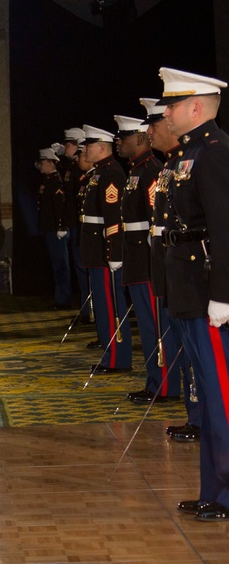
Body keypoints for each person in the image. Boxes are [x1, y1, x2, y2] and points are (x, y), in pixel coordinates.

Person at [155, 67, 229, 522]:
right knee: (207, 393)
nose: (167, 111)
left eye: (174, 104)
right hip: (187, 289)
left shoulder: (215, 154)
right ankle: (213, 489)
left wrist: (223, 293)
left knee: (221, 396)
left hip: (207, 294)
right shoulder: (189, 153)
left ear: (197, 106)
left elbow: (224, 229)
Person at [141, 96, 199, 442]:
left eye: (156, 123)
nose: (151, 130)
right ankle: (196, 415)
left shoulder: (192, 161)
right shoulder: (169, 166)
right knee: (185, 346)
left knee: (196, 352)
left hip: (189, 269)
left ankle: (202, 416)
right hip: (170, 265)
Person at [113, 114, 167, 403]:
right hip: (135, 257)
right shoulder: (135, 170)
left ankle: (164, 385)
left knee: (155, 326)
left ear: (142, 138)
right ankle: (154, 381)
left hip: (147, 259)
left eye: (125, 136)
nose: (119, 141)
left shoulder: (150, 170)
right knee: (146, 326)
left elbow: (154, 221)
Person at [79, 125, 129, 372]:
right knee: (102, 303)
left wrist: (113, 252)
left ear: (101, 148)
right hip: (94, 248)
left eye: (88, 146)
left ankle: (118, 358)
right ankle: (111, 355)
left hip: (104, 250)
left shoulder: (110, 173)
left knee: (111, 306)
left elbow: (113, 218)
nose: (84, 150)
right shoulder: (98, 172)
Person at [61, 128, 91, 322]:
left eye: (70, 143)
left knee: (85, 272)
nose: (66, 147)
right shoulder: (73, 169)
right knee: (80, 271)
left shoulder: (82, 172)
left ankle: (90, 311)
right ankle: (86, 310)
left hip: (84, 228)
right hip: (76, 226)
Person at [35, 147, 70, 309]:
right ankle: (60, 298)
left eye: (42, 162)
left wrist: (61, 226)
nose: (40, 165)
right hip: (49, 229)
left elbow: (60, 206)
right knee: (56, 266)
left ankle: (63, 300)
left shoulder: (56, 181)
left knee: (61, 266)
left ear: (51, 163)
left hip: (56, 230)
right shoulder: (48, 180)